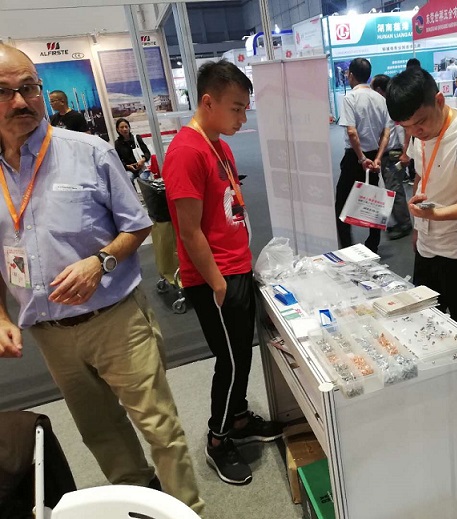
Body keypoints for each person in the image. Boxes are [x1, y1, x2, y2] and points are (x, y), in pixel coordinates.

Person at [0, 45, 204, 513]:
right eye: (4, 91)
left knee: (160, 429)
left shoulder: (88, 151)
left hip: (116, 322)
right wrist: (2, 317)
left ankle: (186, 511)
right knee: (102, 434)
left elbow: (137, 225)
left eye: (28, 87)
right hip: (51, 335)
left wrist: (100, 262)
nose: (20, 101)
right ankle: (138, 503)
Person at [162, 60, 282, 486]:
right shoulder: (186, 151)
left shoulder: (218, 145)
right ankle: (218, 438)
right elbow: (189, 231)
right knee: (230, 362)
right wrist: (216, 283)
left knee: (242, 353)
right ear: (208, 102)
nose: (242, 118)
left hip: (236, 267)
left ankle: (240, 418)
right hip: (215, 278)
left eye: (245, 108)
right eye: (236, 108)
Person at [386, 67, 457, 334]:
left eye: (420, 122)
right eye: (407, 127)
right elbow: (421, 175)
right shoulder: (419, 134)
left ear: (439, 100)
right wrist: (418, 227)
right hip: (426, 249)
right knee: (423, 323)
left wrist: (438, 215)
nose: (416, 131)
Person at [335, 58, 390, 252]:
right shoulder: (380, 99)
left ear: (350, 75)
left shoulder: (350, 98)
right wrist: (378, 158)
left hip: (355, 157)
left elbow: (352, 132)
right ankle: (373, 244)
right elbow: (386, 133)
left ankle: (347, 247)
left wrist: (361, 158)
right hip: (374, 156)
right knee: (373, 201)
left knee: (342, 203)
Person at [370, 74, 412, 240]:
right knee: (392, 188)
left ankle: (405, 224)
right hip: (392, 153)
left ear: (380, 90)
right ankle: (401, 221)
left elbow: (406, 129)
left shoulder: (393, 105)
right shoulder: (387, 105)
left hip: (395, 153)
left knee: (394, 189)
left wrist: (406, 152)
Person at [114, 118, 151, 183]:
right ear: (118, 129)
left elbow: (147, 152)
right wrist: (127, 166)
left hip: (142, 166)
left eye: (126, 127)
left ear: (129, 128)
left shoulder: (136, 138)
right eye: (122, 127)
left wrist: (142, 160)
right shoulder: (117, 143)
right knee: (128, 178)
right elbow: (118, 160)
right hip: (129, 169)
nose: (125, 129)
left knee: (143, 179)